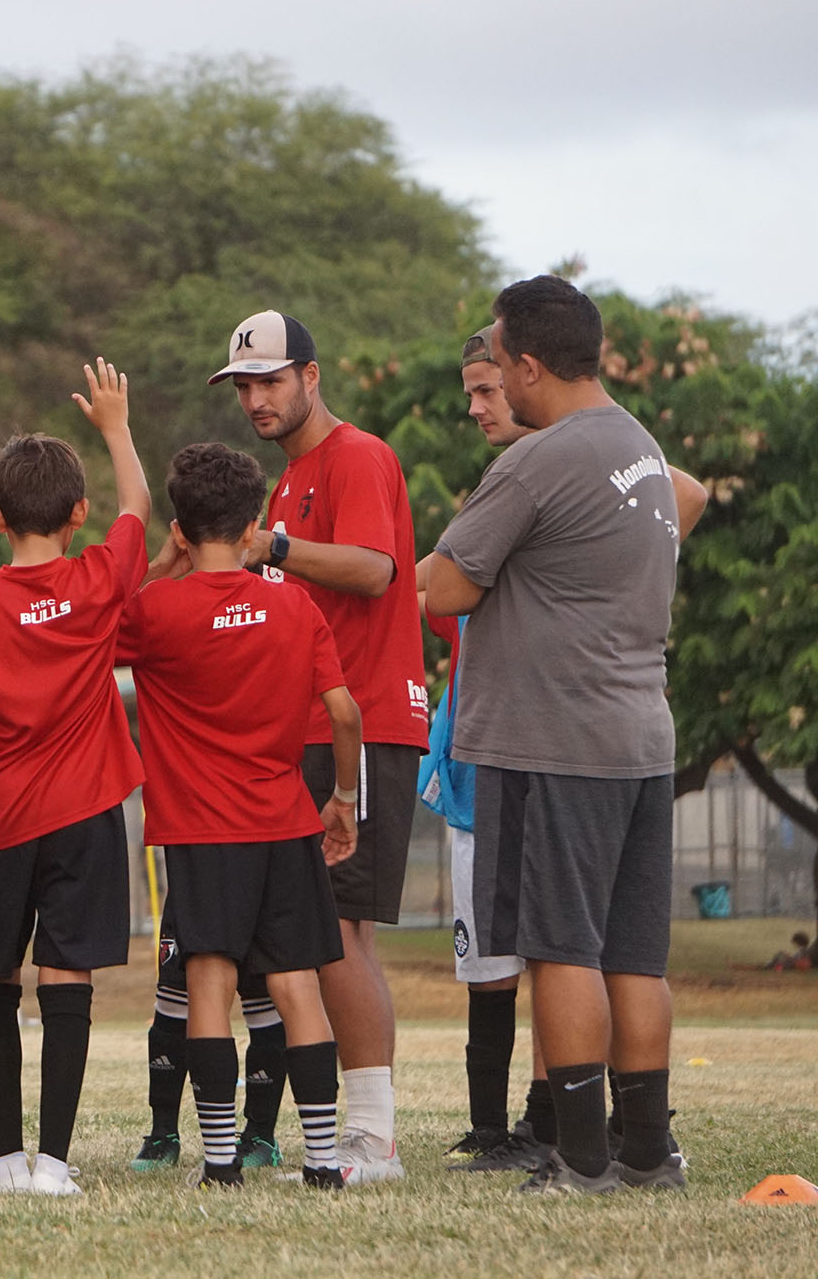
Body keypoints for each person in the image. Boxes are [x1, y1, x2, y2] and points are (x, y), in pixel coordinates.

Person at [425, 276, 692, 1194]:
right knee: (632, 954)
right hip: (640, 740)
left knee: (559, 948)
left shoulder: (538, 460)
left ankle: (580, 1156)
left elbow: (444, 587)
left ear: (530, 366)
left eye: (497, 365)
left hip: (552, 742)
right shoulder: (638, 446)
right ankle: (647, 1151)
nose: (492, 383)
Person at [0, 359, 150, 1197]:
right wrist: (116, 426)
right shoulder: (97, 578)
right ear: (77, 513)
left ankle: (0, 1158)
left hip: (6, 818)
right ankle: (52, 1162)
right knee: (67, 976)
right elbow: (139, 508)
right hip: (88, 815)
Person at [216, 310, 427, 1182]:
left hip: (366, 721)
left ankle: (373, 1137)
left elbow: (378, 570)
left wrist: (275, 547)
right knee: (312, 935)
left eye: (270, 380)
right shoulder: (291, 475)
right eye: (243, 386)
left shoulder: (358, 456)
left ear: (311, 374)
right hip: (311, 727)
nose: (256, 399)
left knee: (342, 932)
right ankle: (347, 1130)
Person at [120, 442, 362, 1189]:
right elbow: (345, 712)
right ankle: (322, 1161)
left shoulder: (155, 610)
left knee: (211, 985)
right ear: (256, 520)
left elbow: (95, 635)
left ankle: (220, 1162)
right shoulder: (294, 603)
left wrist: (161, 566)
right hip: (286, 821)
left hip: (200, 832)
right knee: (298, 987)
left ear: (181, 528)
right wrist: (344, 798)